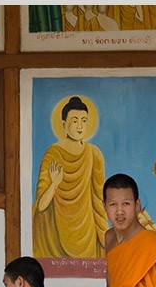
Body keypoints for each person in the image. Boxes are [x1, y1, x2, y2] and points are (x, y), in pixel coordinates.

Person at [32, 95, 108, 258]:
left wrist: (106, 238)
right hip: (55, 238)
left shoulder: (94, 155)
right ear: (64, 125)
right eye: (75, 121)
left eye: (84, 120)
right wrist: (54, 184)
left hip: (87, 234)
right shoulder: (53, 154)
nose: (80, 126)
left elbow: (98, 200)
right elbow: (41, 206)